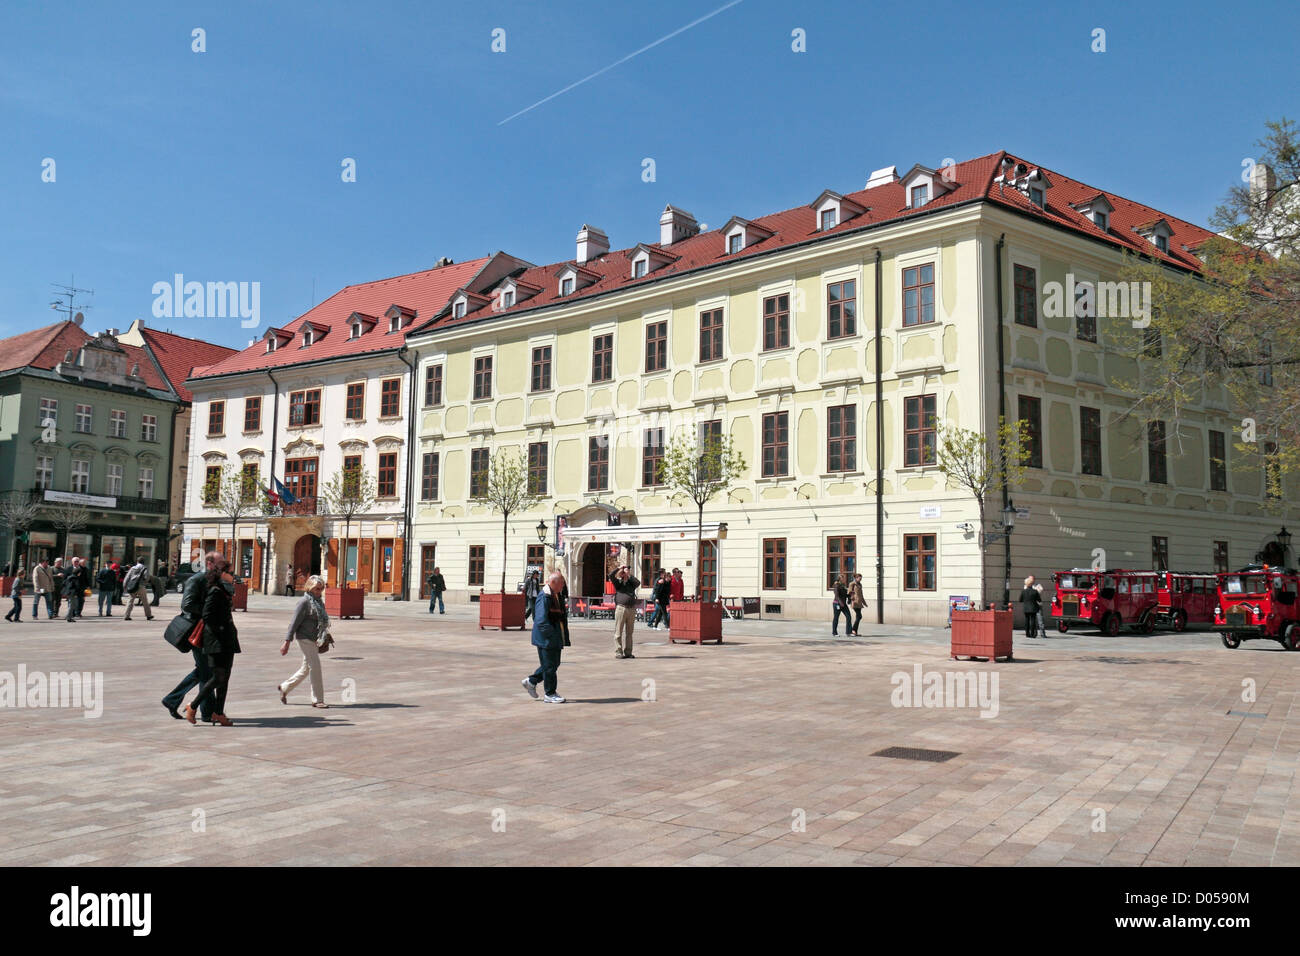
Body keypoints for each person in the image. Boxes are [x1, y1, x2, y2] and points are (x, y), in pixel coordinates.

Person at [185, 554, 240, 726]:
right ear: (222, 573)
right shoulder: (215, 591)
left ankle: (218, 712)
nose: (234, 576)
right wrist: (222, 630)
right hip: (216, 640)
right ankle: (192, 706)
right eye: (231, 573)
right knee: (218, 677)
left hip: (227, 639)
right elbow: (207, 615)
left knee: (226, 678)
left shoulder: (224, 590)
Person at [162, 553, 216, 722]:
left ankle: (172, 700)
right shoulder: (196, 580)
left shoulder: (212, 580)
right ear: (210, 564)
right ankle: (207, 712)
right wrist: (207, 612)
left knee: (204, 670)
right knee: (207, 671)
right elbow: (187, 604)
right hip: (196, 631)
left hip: (206, 631)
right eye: (220, 563)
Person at [278, 574, 331, 708]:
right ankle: (318, 699)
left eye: (321, 589)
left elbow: (322, 621)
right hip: (305, 638)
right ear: (310, 588)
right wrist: (287, 642)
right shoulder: (304, 602)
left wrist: (324, 635)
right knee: (315, 667)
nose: (319, 591)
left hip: (315, 638)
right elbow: (294, 623)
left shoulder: (319, 602)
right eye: (316, 589)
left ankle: (285, 687)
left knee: (306, 668)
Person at [521, 571, 567, 703]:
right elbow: (541, 620)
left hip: (553, 637)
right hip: (546, 638)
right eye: (561, 583)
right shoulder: (545, 596)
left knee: (552, 664)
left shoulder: (555, 594)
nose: (563, 585)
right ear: (553, 583)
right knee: (549, 666)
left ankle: (531, 681)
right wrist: (551, 636)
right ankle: (550, 693)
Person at [607, 564, 640, 659]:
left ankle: (628, 652)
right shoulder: (618, 583)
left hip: (631, 609)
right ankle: (618, 652)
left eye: (626, 571)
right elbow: (611, 575)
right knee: (618, 632)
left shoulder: (631, 583)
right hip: (621, 608)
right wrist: (619, 568)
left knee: (629, 633)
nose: (625, 573)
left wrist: (629, 575)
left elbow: (638, 583)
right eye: (624, 572)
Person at [122, 556, 155, 621]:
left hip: (132, 586)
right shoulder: (144, 568)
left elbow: (127, 577)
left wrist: (124, 586)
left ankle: (126, 615)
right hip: (140, 586)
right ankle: (148, 615)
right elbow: (147, 577)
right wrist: (144, 582)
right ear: (143, 562)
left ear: (137, 561)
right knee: (145, 601)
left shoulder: (133, 568)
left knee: (130, 601)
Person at [848, 572, 867, 636]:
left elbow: (861, 594)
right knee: (859, 616)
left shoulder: (860, 584)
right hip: (855, 602)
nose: (860, 580)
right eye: (859, 578)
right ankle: (853, 630)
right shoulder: (852, 584)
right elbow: (849, 592)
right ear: (856, 578)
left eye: (861, 579)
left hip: (859, 603)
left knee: (858, 617)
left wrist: (864, 603)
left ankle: (855, 632)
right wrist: (852, 596)